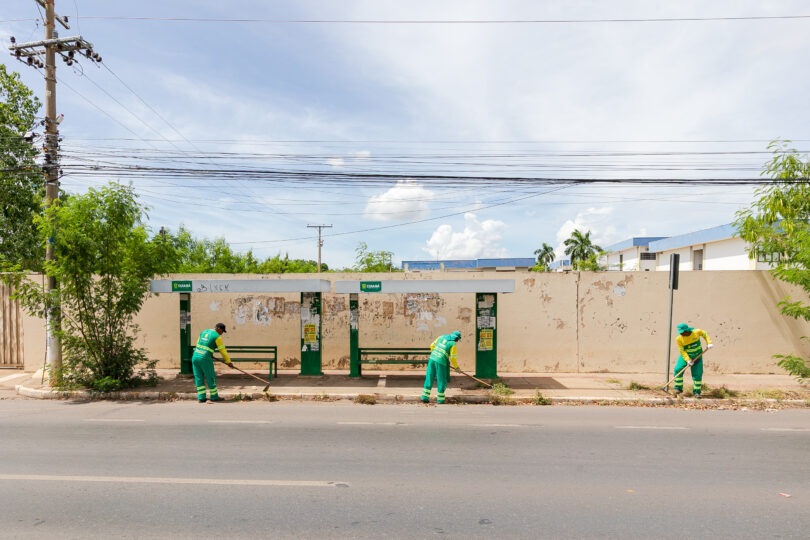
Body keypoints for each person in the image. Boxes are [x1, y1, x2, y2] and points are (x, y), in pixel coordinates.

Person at [191, 322, 233, 403]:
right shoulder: (217, 336)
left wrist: (210, 353)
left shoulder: (204, 332)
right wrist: (228, 362)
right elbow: (222, 351)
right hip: (205, 359)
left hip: (195, 357)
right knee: (210, 377)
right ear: (218, 329)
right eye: (222, 331)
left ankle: (201, 397)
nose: (222, 334)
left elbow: (198, 344)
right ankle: (214, 396)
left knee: (198, 377)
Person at [674, 323, 713, 398]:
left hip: (697, 356)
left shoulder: (696, 332)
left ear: (686, 330)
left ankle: (696, 392)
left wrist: (709, 342)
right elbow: (682, 351)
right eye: (680, 332)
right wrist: (688, 360)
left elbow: (704, 333)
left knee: (697, 374)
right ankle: (678, 388)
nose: (681, 334)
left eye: (682, 332)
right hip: (685, 356)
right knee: (678, 369)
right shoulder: (678, 338)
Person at [421, 331, 461, 404]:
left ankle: (424, 397)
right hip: (441, 362)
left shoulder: (441, 337)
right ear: (456, 338)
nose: (457, 341)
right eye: (457, 340)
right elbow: (453, 358)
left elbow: (432, 345)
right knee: (441, 379)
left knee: (429, 377)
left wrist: (436, 355)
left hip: (432, 359)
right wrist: (456, 367)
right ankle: (440, 399)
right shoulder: (453, 344)